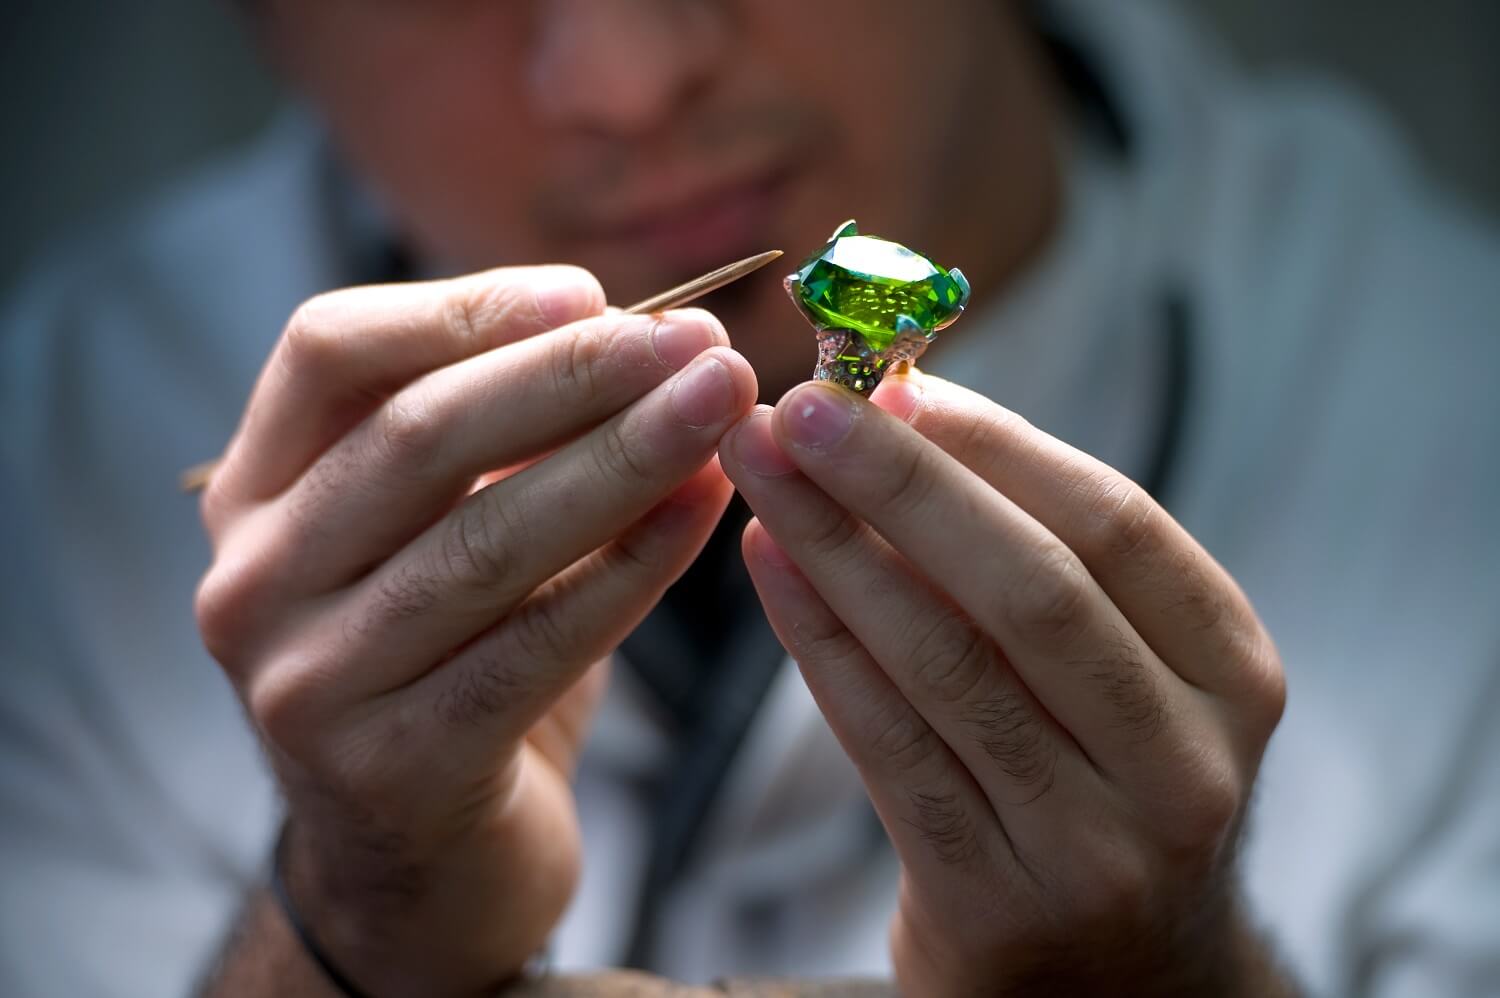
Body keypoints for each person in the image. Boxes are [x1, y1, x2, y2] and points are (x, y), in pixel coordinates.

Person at [2, 0, 1498, 994]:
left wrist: (1177, 979)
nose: (629, 76)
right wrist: (351, 920)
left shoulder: (1449, 421)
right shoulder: (59, 454)